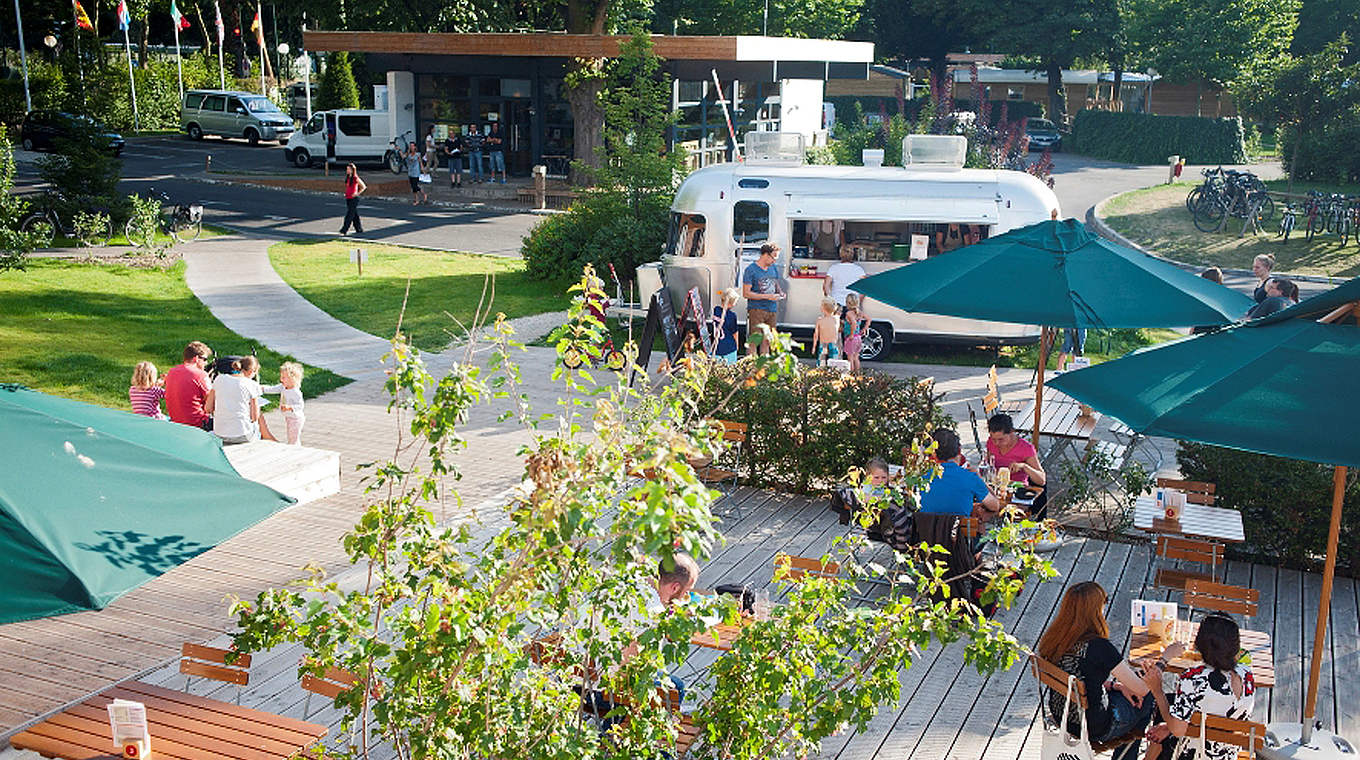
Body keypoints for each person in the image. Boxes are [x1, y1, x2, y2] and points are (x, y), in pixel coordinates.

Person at [1038, 582, 1156, 760]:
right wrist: (1164, 660)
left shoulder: (1055, 639)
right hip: (1093, 726)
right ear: (1095, 609)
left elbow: (1082, 678)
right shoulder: (1099, 647)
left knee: (1132, 687)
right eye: (1104, 602)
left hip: (1062, 715)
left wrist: (1116, 686)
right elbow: (1143, 689)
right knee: (1149, 696)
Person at [1140, 614, 1255, 760]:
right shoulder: (1247, 675)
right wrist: (1168, 727)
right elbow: (1216, 711)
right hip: (1228, 755)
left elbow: (1178, 731)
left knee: (1165, 702)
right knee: (1171, 703)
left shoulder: (1193, 678)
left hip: (1194, 755)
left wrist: (1157, 691)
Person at [919, 428, 1001, 520]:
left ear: (933, 454)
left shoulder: (921, 476)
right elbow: (995, 506)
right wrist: (980, 479)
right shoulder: (970, 478)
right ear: (959, 451)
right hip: (958, 533)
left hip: (925, 531)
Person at [986, 413, 1047, 517]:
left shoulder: (1026, 448)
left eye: (1001, 439)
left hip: (1017, 492)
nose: (996, 443)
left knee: (1009, 513)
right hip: (996, 489)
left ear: (1012, 432)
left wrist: (1024, 466)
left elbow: (1041, 480)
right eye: (993, 439)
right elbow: (988, 464)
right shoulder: (991, 443)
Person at [205, 355, 276, 444]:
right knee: (257, 425)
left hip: (220, 433)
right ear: (251, 371)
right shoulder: (251, 384)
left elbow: (208, 408)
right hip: (243, 435)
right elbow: (254, 417)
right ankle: (268, 438)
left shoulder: (219, 379)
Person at [742, 243, 784, 356]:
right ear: (765, 255)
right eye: (774, 257)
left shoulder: (773, 268)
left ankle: (763, 368)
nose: (775, 261)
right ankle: (750, 366)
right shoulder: (751, 270)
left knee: (768, 340)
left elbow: (775, 282)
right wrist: (767, 296)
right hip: (757, 310)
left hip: (772, 309)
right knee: (754, 340)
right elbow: (746, 293)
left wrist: (780, 292)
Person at [165, 341, 213, 430]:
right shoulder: (200, 374)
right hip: (197, 424)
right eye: (205, 359)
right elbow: (211, 401)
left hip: (176, 422)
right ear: (196, 358)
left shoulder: (172, 372)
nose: (206, 363)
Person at [261, 362, 305, 445]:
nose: (281, 380)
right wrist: (262, 388)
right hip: (289, 417)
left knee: (293, 439)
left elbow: (300, 405)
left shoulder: (295, 392)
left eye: (283, 378)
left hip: (296, 419)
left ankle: (294, 450)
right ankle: (294, 448)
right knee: (291, 436)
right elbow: (272, 389)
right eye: (281, 377)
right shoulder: (283, 387)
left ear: (292, 379)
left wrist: (290, 407)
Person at [1191, 268, 1224, 334]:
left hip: (1200, 330)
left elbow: (1197, 316)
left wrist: (1192, 330)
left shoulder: (1202, 296)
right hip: (1216, 330)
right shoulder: (1222, 297)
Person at [712, 288, 740, 363]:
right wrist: (737, 345)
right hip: (729, 347)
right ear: (731, 304)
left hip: (717, 346)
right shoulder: (732, 316)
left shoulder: (716, 310)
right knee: (731, 368)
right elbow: (735, 333)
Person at [813, 297, 841, 365]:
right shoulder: (836, 318)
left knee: (821, 362)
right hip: (833, 343)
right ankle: (834, 374)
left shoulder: (820, 320)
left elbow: (816, 335)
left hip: (823, 343)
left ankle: (820, 373)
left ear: (823, 308)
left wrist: (814, 346)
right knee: (834, 363)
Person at [339, 163, 366, 236]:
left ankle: (344, 229)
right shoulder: (348, 178)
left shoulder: (355, 178)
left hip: (354, 198)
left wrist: (357, 193)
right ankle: (359, 228)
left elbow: (363, 186)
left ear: (352, 170)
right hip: (348, 198)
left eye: (349, 169)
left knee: (349, 215)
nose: (347, 170)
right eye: (347, 169)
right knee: (354, 214)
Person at [842, 294, 865, 373]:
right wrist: (864, 329)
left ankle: (851, 374)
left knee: (850, 358)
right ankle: (857, 374)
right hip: (858, 337)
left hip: (852, 338)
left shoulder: (849, 313)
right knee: (856, 357)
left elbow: (854, 323)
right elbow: (869, 319)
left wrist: (851, 334)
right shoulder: (859, 312)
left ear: (848, 303)